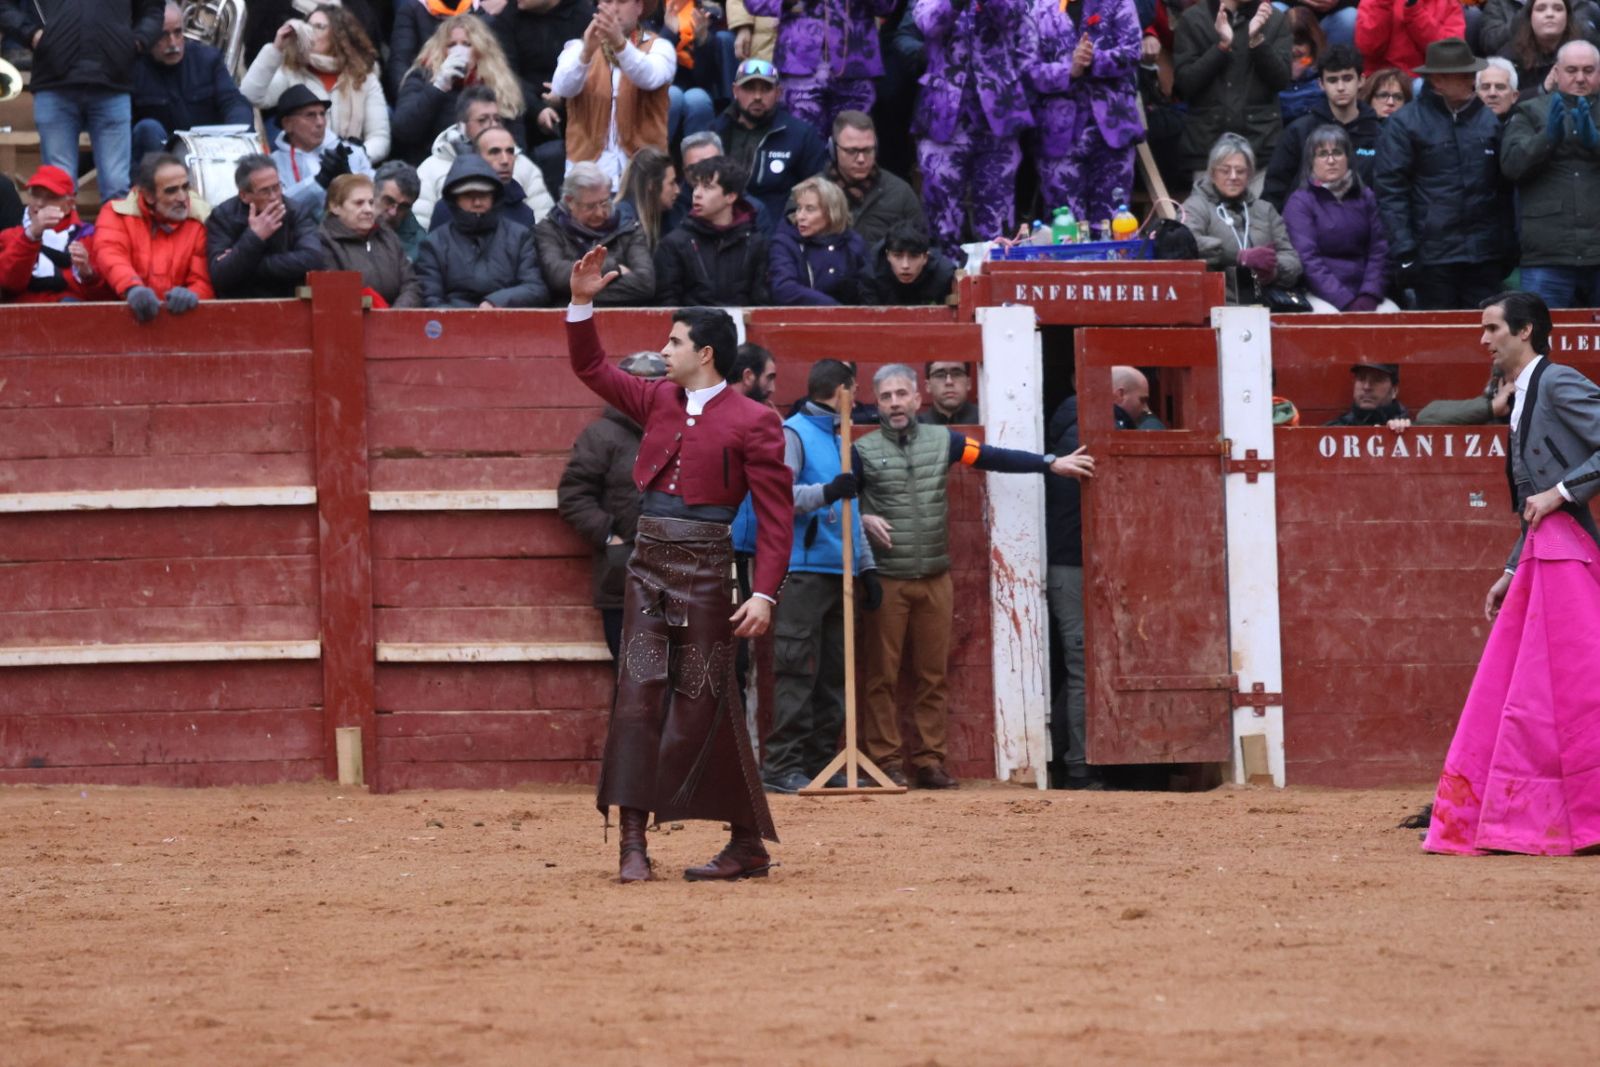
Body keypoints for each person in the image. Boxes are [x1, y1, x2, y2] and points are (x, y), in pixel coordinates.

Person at [564, 245, 793, 883]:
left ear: (706, 353)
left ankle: (747, 843)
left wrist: (766, 593)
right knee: (637, 698)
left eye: (673, 342)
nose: (663, 352)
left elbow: (777, 518)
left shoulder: (756, 421)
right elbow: (589, 365)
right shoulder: (655, 400)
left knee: (707, 701)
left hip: (708, 575)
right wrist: (582, 302)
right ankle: (632, 844)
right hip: (647, 570)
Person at [855, 363, 1095, 789]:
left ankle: (929, 762)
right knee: (881, 676)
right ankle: (886, 762)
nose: (894, 403)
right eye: (886, 397)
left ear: (917, 398)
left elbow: (990, 457)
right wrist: (862, 516)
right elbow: (842, 497)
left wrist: (1048, 463)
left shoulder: (944, 442)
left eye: (901, 395)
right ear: (877, 403)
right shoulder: (862, 450)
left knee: (932, 674)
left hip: (934, 576)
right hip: (886, 579)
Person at [1425, 290, 1600, 857]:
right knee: (1548, 692)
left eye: (1492, 328)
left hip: (1567, 546)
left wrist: (1563, 491)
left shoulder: (1556, 382)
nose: (1483, 339)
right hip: (1544, 550)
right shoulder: (1521, 395)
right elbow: (1532, 499)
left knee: (1569, 688)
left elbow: (1548, 492)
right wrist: (1510, 567)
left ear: (1525, 331)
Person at [760, 359, 882, 794]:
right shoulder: (794, 433)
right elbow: (778, 496)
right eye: (855, 391)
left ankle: (821, 763)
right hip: (803, 569)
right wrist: (826, 492)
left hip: (839, 569)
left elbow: (852, 513)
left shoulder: (839, 438)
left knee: (832, 674)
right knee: (797, 670)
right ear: (842, 391)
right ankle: (781, 766)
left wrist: (866, 567)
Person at [1375, 38, 1515, 311]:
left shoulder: (1488, 121)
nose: (1470, 81)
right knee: (1438, 343)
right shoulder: (1404, 124)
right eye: (1463, 75)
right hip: (1432, 257)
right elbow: (1390, 191)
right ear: (1437, 80)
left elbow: (1502, 188)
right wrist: (1405, 251)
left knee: (1485, 339)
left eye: (1470, 74)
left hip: (1484, 255)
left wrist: (1506, 243)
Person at [557, 349, 669, 658]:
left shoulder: (685, 430)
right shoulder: (600, 436)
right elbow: (573, 496)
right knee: (632, 684)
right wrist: (611, 538)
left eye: (655, 384)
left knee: (685, 685)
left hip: (680, 579)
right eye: (637, 384)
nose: (645, 393)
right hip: (625, 581)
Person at [0, 0, 163, 203]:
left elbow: (153, 9)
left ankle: (113, 236)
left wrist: (137, 41)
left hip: (110, 84)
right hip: (56, 83)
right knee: (58, 188)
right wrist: (31, 33)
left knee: (116, 187)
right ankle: (63, 234)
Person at [913, 0, 1034, 260]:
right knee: (941, 212)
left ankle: (996, 285)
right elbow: (927, 23)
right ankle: (946, 282)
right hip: (943, 117)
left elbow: (1013, 16)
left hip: (998, 119)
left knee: (996, 215)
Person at [1024, 0, 1144, 231]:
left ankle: (1114, 266)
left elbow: (1132, 51)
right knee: (1066, 227)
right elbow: (1028, 71)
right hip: (1058, 136)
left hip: (1112, 131)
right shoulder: (1037, 8)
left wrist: (1092, 61)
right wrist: (1069, 69)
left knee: (1114, 225)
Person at [1502, 41, 1600, 309]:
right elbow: (1511, 165)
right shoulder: (1530, 110)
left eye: (1588, 70)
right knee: (1542, 341)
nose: (1580, 78)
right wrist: (1547, 138)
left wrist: (1596, 143)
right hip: (1548, 253)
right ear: (1556, 72)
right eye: (1571, 70)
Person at [241, 4, 392, 162]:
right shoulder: (292, 70)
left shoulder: (363, 77)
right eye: (308, 26)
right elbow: (250, 96)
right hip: (301, 166)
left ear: (338, 35)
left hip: (349, 171)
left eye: (319, 27)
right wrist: (276, 48)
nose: (310, 32)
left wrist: (352, 158)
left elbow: (379, 137)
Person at [550, 0, 675, 185]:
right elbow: (562, 88)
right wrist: (586, 53)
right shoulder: (577, 47)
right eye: (608, 1)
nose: (614, 7)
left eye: (622, 1)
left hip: (643, 180)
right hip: (587, 180)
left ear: (639, 6)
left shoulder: (660, 47)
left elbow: (649, 78)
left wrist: (619, 44)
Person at [1174, 0, 1294, 189]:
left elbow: (1281, 80)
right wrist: (1221, 47)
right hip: (1207, 148)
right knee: (1207, 218)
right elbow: (1185, 85)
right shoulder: (1193, 19)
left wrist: (1257, 40)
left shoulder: (1275, 19)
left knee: (1260, 217)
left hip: (1260, 148)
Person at [131, 3, 256, 176]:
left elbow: (233, 101)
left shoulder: (207, 59)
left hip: (209, 153)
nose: (173, 42)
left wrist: (236, 135)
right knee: (147, 129)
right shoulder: (134, 69)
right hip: (159, 162)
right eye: (163, 35)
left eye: (178, 32)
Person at [1283, 124, 1395, 313]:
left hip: (1365, 292)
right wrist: (1345, 301)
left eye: (1337, 152)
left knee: (1392, 315)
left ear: (1348, 158)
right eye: (1322, 154)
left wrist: (1369, 295)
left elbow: (1380, 249)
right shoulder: (1300, 202)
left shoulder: (1365, 195)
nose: (1331, 160)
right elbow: (1308, 259)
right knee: (1330, 319)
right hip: (1319, 294)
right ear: (1311, 161)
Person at [1182, 132, 1303, 305]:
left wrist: (1273, 270)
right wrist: (1239, 256)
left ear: (1250, 175)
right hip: (1215, 303)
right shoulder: (1195, 205)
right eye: (1225, 170)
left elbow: (1291, 258)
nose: (1233, 177)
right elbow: (1185, 243)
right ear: (1212, 172)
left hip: (1263, 302)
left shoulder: (1265, 210)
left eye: (1240, 171)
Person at [743, 0, 894, 137]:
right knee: (802, 142)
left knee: (854, 143)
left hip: (855, 65)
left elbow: (888, 6)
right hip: (799, 64)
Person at [92, 152, 213, 322]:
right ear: (148, 195)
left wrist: (194, 294)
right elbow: (110, 255)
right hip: (122, 321)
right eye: (171, 191)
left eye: (185, 187)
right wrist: (132, 288)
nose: (182, 198)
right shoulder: (116, 214)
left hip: (184, 324)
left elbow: (205, 277)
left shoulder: (202, 218)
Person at [416, 153, 550, 307]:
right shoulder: (434, 244)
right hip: (455, 327)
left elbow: (535, 288)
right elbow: (431, 300)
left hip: (508, 322)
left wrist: (494, 302)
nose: (477, 202)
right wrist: (468, 320)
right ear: (454, 199)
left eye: (484, 194)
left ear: (495, 197)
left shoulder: (520, 236)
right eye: (468, 195)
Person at [712, 58, 828, 234]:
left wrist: (790, 223)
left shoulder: (801, 135)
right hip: (721, 230)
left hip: (777, 235)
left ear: (778, 93)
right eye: (749, 88)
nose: (757, 97)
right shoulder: (715, 132)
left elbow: (819, 187)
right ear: (735, 91)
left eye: (766, 89)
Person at [415, 85, 553, 230]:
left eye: (497, 119)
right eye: (483, 120)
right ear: (462, 126)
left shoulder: (523, 166)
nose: (492, 125)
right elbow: (421, 230)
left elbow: (544, 227)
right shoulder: (431, 168)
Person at [395, 15, 527, 165]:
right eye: (451, 45)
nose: (459, 50)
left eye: (466, 44)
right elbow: (403, 129)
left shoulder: (499, 83)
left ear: (480, 49)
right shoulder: (422, 76)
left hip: (492, 167)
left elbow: (518, 143)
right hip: (437, 165)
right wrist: (438, 86)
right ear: (441, 49)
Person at [1262, 44, 1380, 210]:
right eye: (1332, 80)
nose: (1340, 87)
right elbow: (1274, 191)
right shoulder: (1299, 131)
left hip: (1366, 227)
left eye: (1347, 78)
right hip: (1304, 227)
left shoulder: (1379, 134)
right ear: (1321, 84)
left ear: (1361, 80)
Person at [653, 155, 771, 305]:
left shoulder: (754, 243)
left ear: (730, 197)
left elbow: (762, 302)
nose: (697, 194)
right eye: (696, 186)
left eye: (707, 187)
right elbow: (666, 304)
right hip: (693, 326)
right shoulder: (674, 244)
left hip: (740, 327)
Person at [206, 153, 327, 299]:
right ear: (244, 196)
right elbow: (220, 275)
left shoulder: (295, 211)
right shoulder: (223, 216)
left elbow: (313, 259)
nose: (274, 197)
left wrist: (245, 263)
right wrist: (254, 237)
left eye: (277, 187)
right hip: (240, 306)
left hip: (289, 301)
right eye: (265, 191)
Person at [535, 161, 656, 303]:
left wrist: (578, 294)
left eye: (605, 203)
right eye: (590, 206)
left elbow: (645, 284)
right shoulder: (549, 229)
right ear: (570, 201)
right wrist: (614, 268)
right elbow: (557, 276)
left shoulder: (629, 227)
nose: (600, 213)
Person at [809, 111, 922, 247]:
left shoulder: (901, 193)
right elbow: (785, 248)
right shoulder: (810, 193)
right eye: (851, 151)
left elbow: (925, 248)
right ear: (833, 149)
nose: (861, 159)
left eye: (868, 150)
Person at [0, 165, 111, 303]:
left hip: (72, 317)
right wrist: (31, 235)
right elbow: (9, 284)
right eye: (35, 195)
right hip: (21, 318)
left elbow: (106, 300)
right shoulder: (11, 234)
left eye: (50, 197)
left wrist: (88, 275)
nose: (39, 203)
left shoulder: (88, 237)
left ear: (69, 204)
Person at [318, 173, 426, 308]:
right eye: (359, 203)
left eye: (371, 202)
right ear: (335, 207)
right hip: (352, 323)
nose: (369, 210)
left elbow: (411, 284)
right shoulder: (324, 241)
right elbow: (337, 295)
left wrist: (395, 314)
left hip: (396, 320)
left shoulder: (387, 235)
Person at [270, 84, 377, 217]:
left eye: (322, 114)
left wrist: (349, 177)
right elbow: (279, 209)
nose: (320, 122)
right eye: (310, 115)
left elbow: (377, 195)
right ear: (288, 124)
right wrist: (319, 182)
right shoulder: (272, 164)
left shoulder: (351, 151)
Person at [429, 124, 555, 230]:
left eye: (510, 152)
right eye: (494, 152)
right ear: (477, 156)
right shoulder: (448, 208)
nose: (505, 160)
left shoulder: (524, 213)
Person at [767, 175, 867, 305]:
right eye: (799, 208)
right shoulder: (785, 242)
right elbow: (784, 288)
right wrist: (835, 309)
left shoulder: (853, 243)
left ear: (832, 212)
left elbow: (868, 290)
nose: (800, 216)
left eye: (810, 209)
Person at [1500, 0, 1589, 99]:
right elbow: (1499, 103)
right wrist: (1542, 89)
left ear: (1567, 17)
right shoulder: (1510, 55)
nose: (1549, 14)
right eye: (1541, 9)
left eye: (1558, 9)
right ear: (1530, 17)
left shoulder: (1585, 51)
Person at [1354, 0, 1464, 79]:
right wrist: (1383, 3)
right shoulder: (1373, 2)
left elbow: (1450, 53)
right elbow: (1368, 48)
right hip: (1382, 78)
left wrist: (1415, 12)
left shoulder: (1448, 3)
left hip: (1426, 79)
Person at [858, 221, 957, 306]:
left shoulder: (944, 276)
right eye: (898, 256)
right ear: (888, 256)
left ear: (925, 258)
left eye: (913, 256)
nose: (905, 265)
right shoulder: (871, 275)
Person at [615, 144, 679, 248]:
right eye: (671, 183)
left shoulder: (668, 217)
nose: (677, 190)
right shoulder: (623, 222)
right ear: (652, 185)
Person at [1324, 361, 1411, 426]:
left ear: (1394, 391)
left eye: (1377, 379)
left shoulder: (1412, 430)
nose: (1366, 387)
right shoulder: (1335, 431)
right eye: (1361, 378)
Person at [375, 160, 427, 261]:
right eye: (388, 201)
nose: (393, 212)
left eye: (403, 207)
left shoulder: (420, 245)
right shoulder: (346, 225)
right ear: (373, 192)